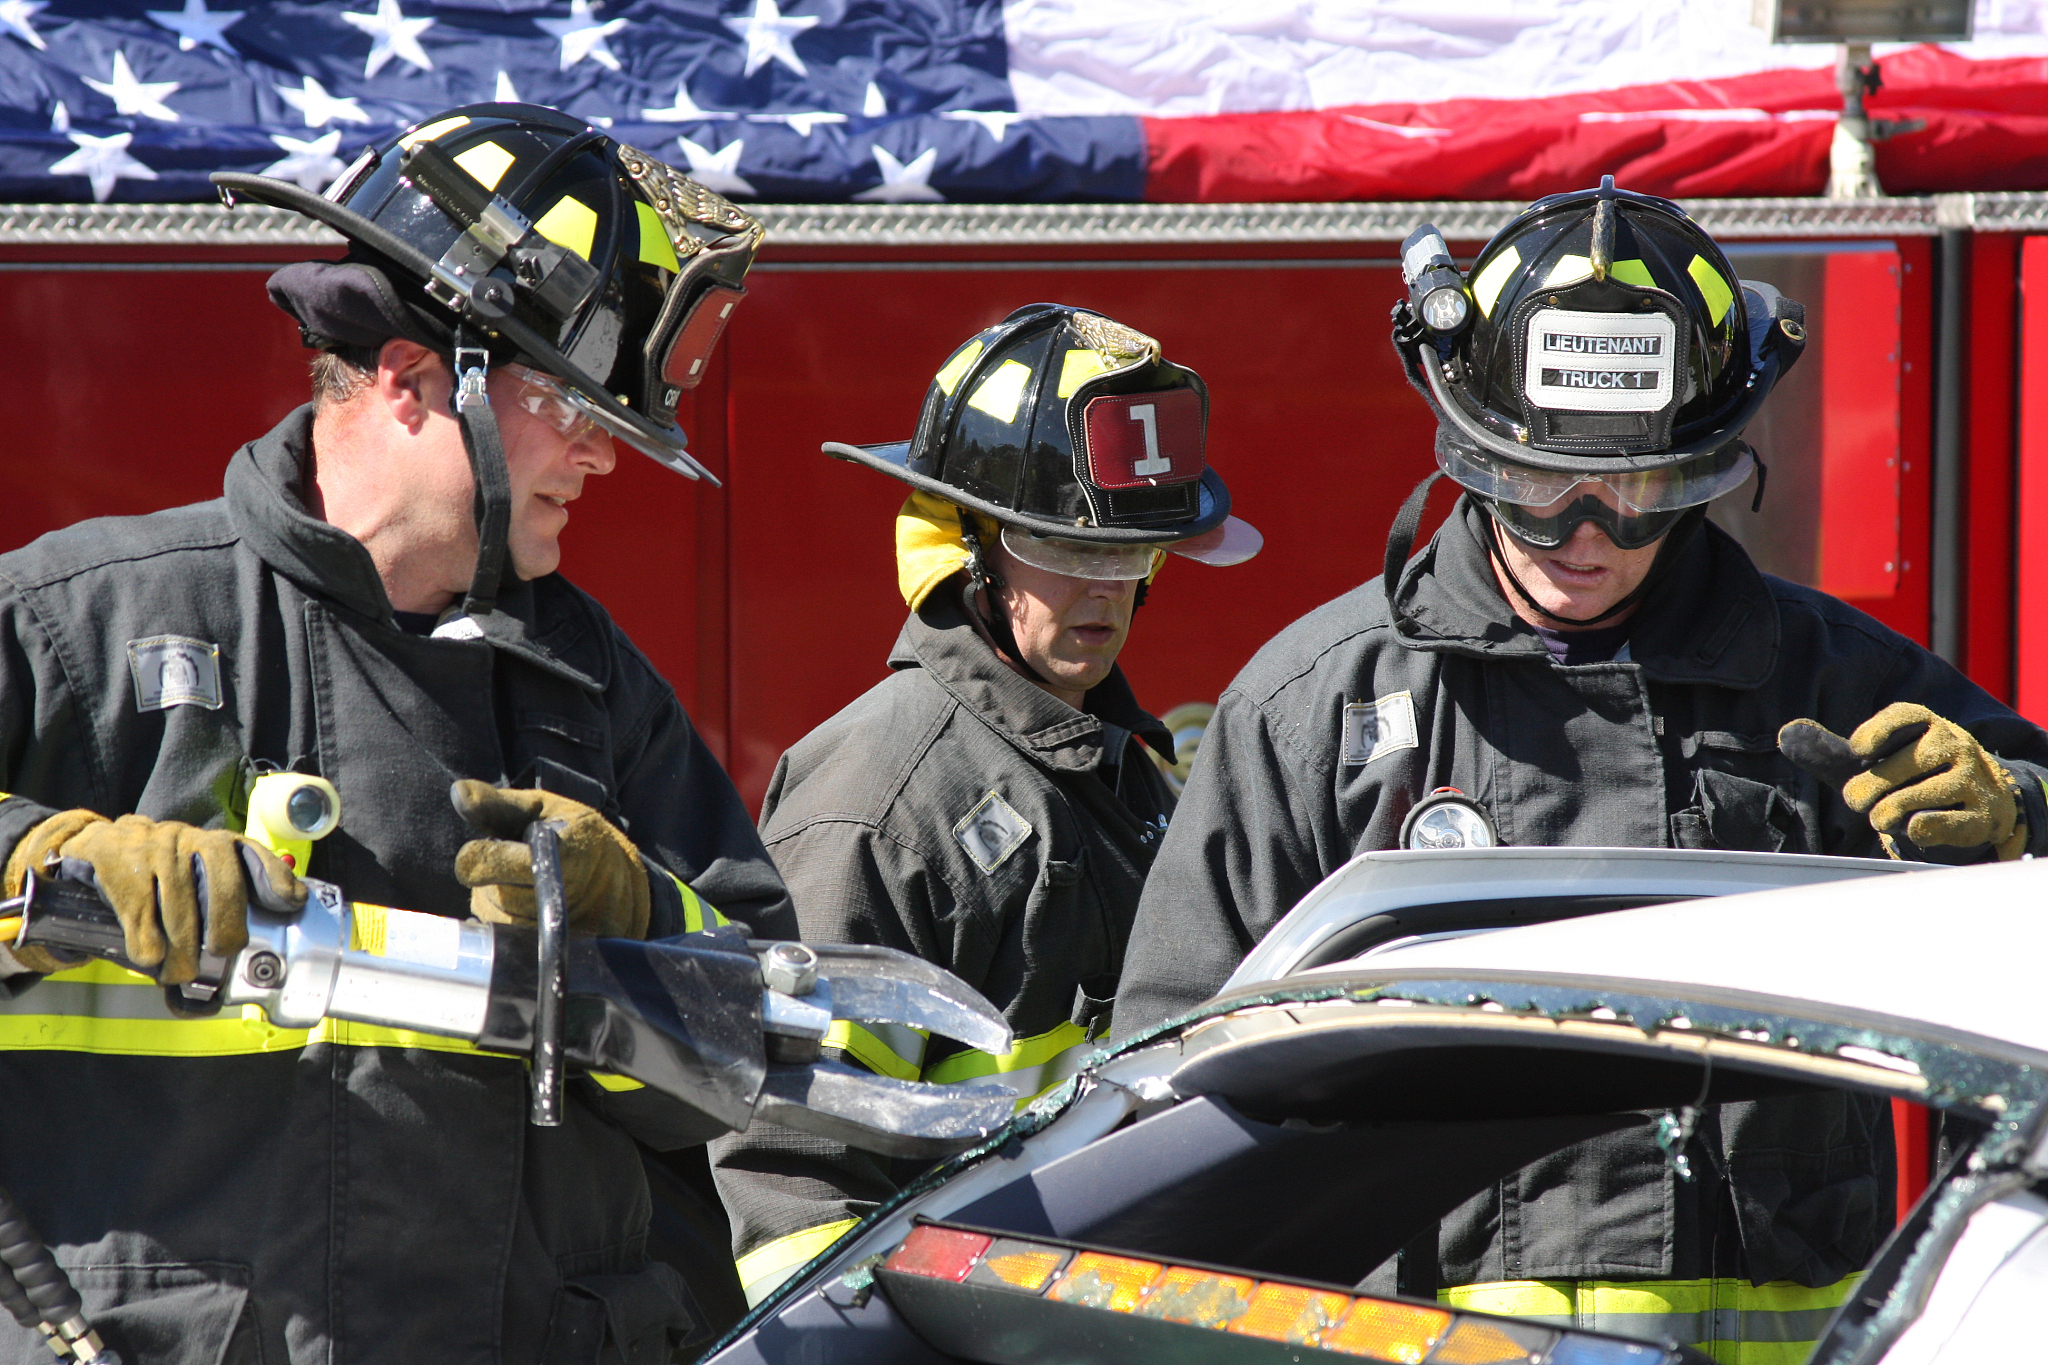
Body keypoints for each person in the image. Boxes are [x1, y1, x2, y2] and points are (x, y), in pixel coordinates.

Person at [1115, 180, 2048, 1359]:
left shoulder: (1825, 677)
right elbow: (1167, 1072)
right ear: (1471, 453)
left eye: (1636, 488)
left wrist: (2012, 814)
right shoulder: (1316, 707)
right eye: (1535, 485)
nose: (1584, 532)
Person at [0, 104, 790, 1364]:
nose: (601, 458)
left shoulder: (593, 688)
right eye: (570, 405)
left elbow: (769, 1042)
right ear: (416, 380)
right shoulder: (83, 623)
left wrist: (642, 917)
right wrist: (44, 863)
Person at [709, 304, 1262, 1305]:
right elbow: (792, 1177)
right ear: (966, 543)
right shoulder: (879, 803)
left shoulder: (1114, 762)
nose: (1107, 591)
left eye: (1130, 555)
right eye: (1068, 550)